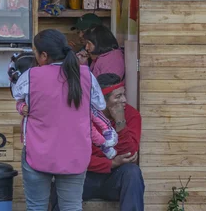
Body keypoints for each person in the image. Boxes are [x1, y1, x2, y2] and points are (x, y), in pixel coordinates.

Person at [10, 29, 93, 211]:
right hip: (75, 153)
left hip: (37, 152)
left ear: (44, 55)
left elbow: (17, 95)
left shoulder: (30, 76)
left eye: (36, 53)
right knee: (71, 206)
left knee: (36, 207)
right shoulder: (86, 74)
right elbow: (98, 105)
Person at [51, 73, 144, 211]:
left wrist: (120, 122)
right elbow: (77, 157)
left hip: (114, 179)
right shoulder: (81, 115)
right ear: (101, 100)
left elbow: (129, 154)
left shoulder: (131, 114)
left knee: (132, 172)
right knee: (62, 178)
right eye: (118, 97)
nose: (124, 100)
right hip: (84, 177)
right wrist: (111, 163)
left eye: (123, 94)